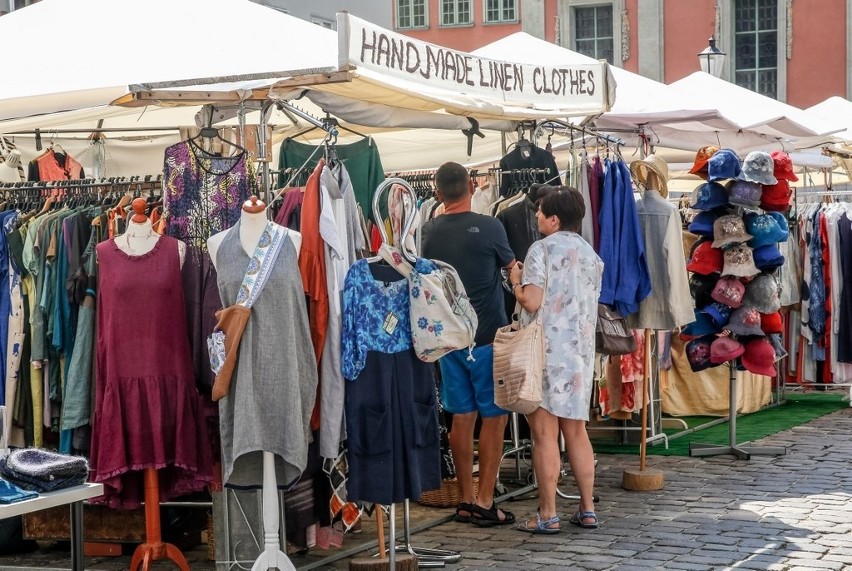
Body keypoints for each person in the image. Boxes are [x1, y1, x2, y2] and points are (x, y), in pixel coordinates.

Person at [421, 162, 517, 526]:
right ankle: (486, 500)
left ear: (437, 190)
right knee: (494, 417)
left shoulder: (428, 231)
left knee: (461, 416)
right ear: (473, 186)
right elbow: (511, 269)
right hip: (488, 335)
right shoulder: (490, 226)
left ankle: (464, 498)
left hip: (450, 338)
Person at [510, 186, 603, 533]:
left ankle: (548, 513)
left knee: (544, 435)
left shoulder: (541, 250)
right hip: (578, 355)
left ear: (554, 218)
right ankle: (588, 508)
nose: (535, 217)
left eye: (540, 212)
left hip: (545, 353)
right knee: (577, 432)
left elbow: (532, 302)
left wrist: (516, 282)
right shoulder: (591, 255)